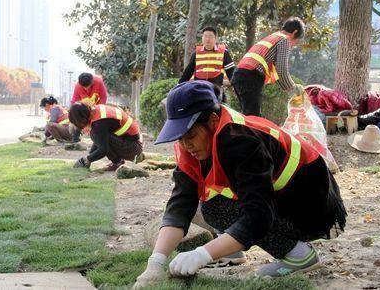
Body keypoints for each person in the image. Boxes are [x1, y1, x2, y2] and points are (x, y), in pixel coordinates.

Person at [133, 81, 346, 288]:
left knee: (222, 208)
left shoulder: (241, 140)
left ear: (213, 121)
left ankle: (299, 256)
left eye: (190, 135)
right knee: (212, 206)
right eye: (179, 137)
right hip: (283, 194)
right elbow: (181, 202)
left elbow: (258, 215)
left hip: (313, 200)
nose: (185, 144)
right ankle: (229, 250)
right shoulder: (192, 146)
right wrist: (156, 263)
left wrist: (202, 254)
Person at [232, 17, 306, 116]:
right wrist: (293, 89)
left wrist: (288, 88)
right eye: (296, 42)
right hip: (251, 76)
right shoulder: (284, 40)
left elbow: (279, 73)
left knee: (247, 115)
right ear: (294, 32)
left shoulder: (274, 37)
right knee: (253, 118)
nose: (293, 46)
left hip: (239, 74)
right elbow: (282, 69)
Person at [69, 102, 143, 171]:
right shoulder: (97, 111)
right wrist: (90, 155)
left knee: (94, 134)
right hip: (134, 144)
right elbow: (101, 138)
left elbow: (103, 149)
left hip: (133, 148)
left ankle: (117, 162)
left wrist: (87, 160)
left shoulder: (98, 124)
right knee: (96, 135)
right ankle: (118, 161)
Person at [179, 26, 236, 102]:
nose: (207, 39)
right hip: (199, 90)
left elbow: (231, 71)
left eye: (210, 36)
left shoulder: (223, 52)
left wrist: (236, 87)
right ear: (202, 38)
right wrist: (178, 86)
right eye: (205, 36)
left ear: (215, 38)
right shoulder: (196, 53)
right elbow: (188, 72)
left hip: (216, 91)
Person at [71, 73, 108, 142]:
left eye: (88, 86)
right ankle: (75, 139)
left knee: (98, 120)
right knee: (81, 118)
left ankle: (99, 138)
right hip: (85, 106)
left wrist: (99, 108)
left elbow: (103, 97)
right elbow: (74, 101)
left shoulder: (98, 81)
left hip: (97, 105)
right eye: (84, 87)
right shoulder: (78, 86)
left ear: (92, 82)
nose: (86, 88)